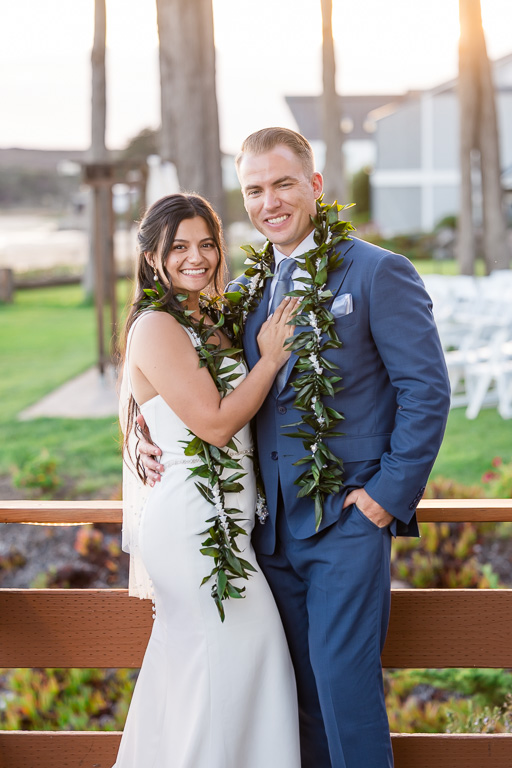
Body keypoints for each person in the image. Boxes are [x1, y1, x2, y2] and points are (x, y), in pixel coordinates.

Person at [139, 128, 452, 768]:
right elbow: (191, 378)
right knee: (296, 701)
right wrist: (140, 432)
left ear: (313, 185)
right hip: (267, 535)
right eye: (254, 189)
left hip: (346, 523)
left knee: (344, 689)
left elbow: (426, 391)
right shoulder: (251, 291)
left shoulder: (377, 272)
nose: (269, 202)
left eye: (283, 184)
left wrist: (386, 499)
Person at [115, 192, 301, 768]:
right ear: (152, 257)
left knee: (207, 673)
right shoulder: (157, 325)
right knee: (234, 661)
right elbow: (217, 424)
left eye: (206, 244)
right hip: (194, 533)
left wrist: (131, 428)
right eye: (178, 248)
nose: (195, 258)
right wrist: (269, 360)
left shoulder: (212, 317)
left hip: (228, 525)